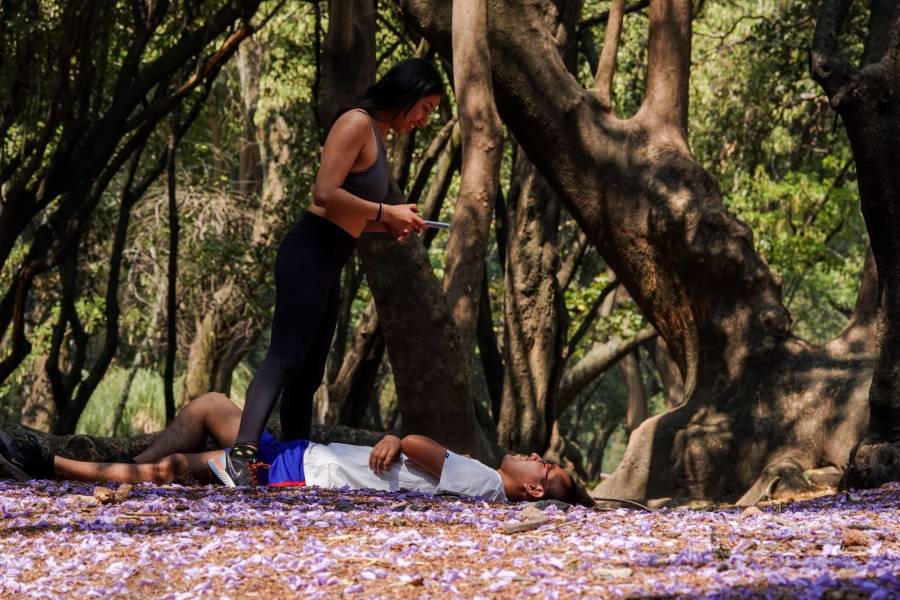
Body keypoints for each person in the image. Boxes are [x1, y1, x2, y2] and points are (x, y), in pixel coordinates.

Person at [226, 58, 445, 486]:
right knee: (286, 356)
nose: (425, 119)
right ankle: (243, 453)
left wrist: (394, 222)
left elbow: (353, 211)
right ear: (407, 94)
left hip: (330, 260)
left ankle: (294, 459)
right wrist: (386, 210)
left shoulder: (379, 136)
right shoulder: (356, 122)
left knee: (309, 372)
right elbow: (325, 194)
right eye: (426, 108)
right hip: (308, 251)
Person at [0, 393, 583, 505]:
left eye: (543, 463)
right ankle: (112, 474)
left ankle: (47, 466)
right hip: (308, 454)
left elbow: (417, 446)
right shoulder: (481, 482)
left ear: (533, 486)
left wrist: (395, 438)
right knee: (208, 406)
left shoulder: (483, 483)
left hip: (306, 471)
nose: (534, 452)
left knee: (181, 466)